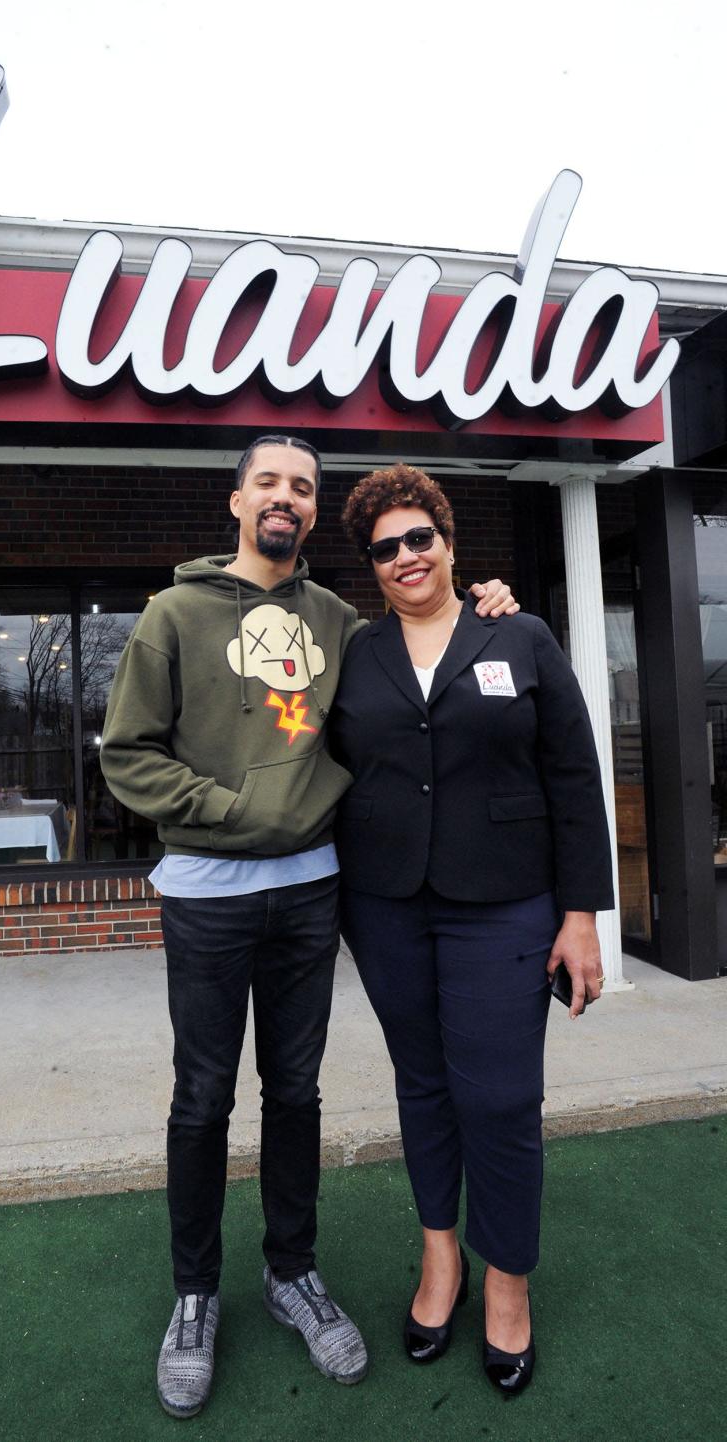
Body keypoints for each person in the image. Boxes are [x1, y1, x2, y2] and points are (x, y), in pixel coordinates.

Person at [100, 436, 517, 1418]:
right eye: (271, 482)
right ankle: (196, 1293)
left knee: (294, 1090)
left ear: (312, 509)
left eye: (304, 486)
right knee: (203, 1097)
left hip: (311, 893)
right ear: (238, 498)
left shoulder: (336, 614)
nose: (285, 497)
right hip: (206, 892)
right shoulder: (174, 615)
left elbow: (428, 634)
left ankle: (293, 1272)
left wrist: (489, 602)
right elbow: (128, 755)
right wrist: (239, 810)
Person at [330, 463, 614, 1395]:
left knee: (498, 1098)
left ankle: (507, 1283)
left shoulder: (518, 634)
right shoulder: (355, 655)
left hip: (506, 907)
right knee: (424, 1088)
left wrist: (581, 917)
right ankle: (439, 1260)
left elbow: (573, 776)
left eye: (421, 538)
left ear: (449, 544)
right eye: (386, 547)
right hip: (386, 907)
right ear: (370, 566)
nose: (406, 557)